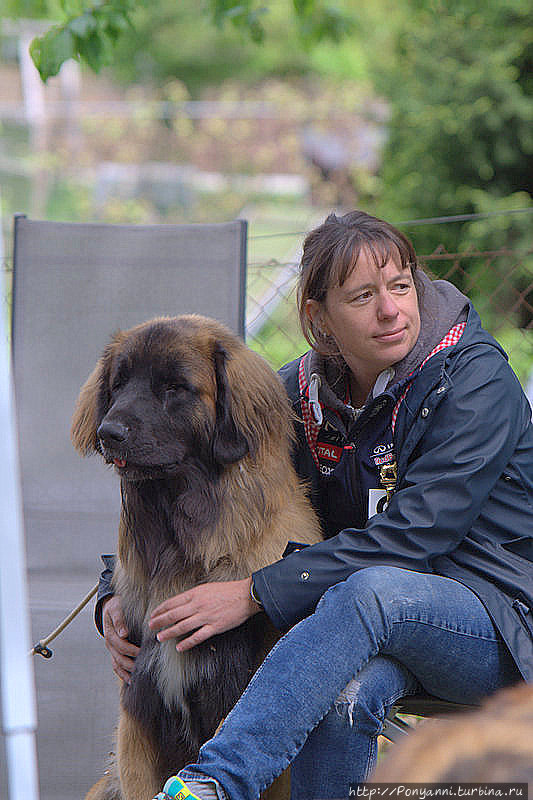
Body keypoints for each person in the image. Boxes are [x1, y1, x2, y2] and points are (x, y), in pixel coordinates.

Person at [97, 210, 533, 800]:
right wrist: (111, 597)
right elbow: (186, 485)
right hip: (368, 627)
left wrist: (252, 592)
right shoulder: (297, 395)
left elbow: (414, 539)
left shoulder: (476, 382)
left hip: (498, 623)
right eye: (362, 296)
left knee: (372, 590)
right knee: (338, 692)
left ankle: (214, 785)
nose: (391, 310)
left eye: (401, 286)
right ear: (317, 317)